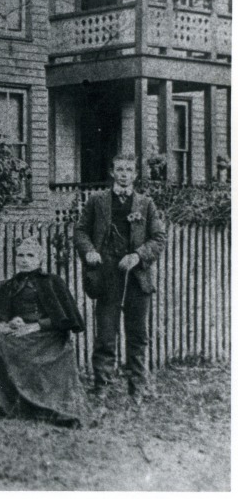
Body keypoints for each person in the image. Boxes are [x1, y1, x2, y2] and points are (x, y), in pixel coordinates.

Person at [74, 153, 166, 401]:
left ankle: (137, 388)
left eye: (129, 170)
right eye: (119, 169)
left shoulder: (146, 204)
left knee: (137, 336)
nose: (124, 174)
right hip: (107, 276)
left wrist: (137, 256)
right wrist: (90, 251)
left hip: (137, 278)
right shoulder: (97, 201)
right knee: (105, 335)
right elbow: (81, 230)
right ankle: (101, 387)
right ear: (112, 173)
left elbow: (159, 239)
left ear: (135, 175)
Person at [0, 237, 88, 426]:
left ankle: (44, 404)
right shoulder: (8, 285)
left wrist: (35, 325)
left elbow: (66, 318)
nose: (24, 260)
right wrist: (5, 324)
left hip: (47, 335)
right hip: (20, 333)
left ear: (39, 259)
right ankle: (10, 404)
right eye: (20, 255)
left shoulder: (53, 282)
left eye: (30, 255)